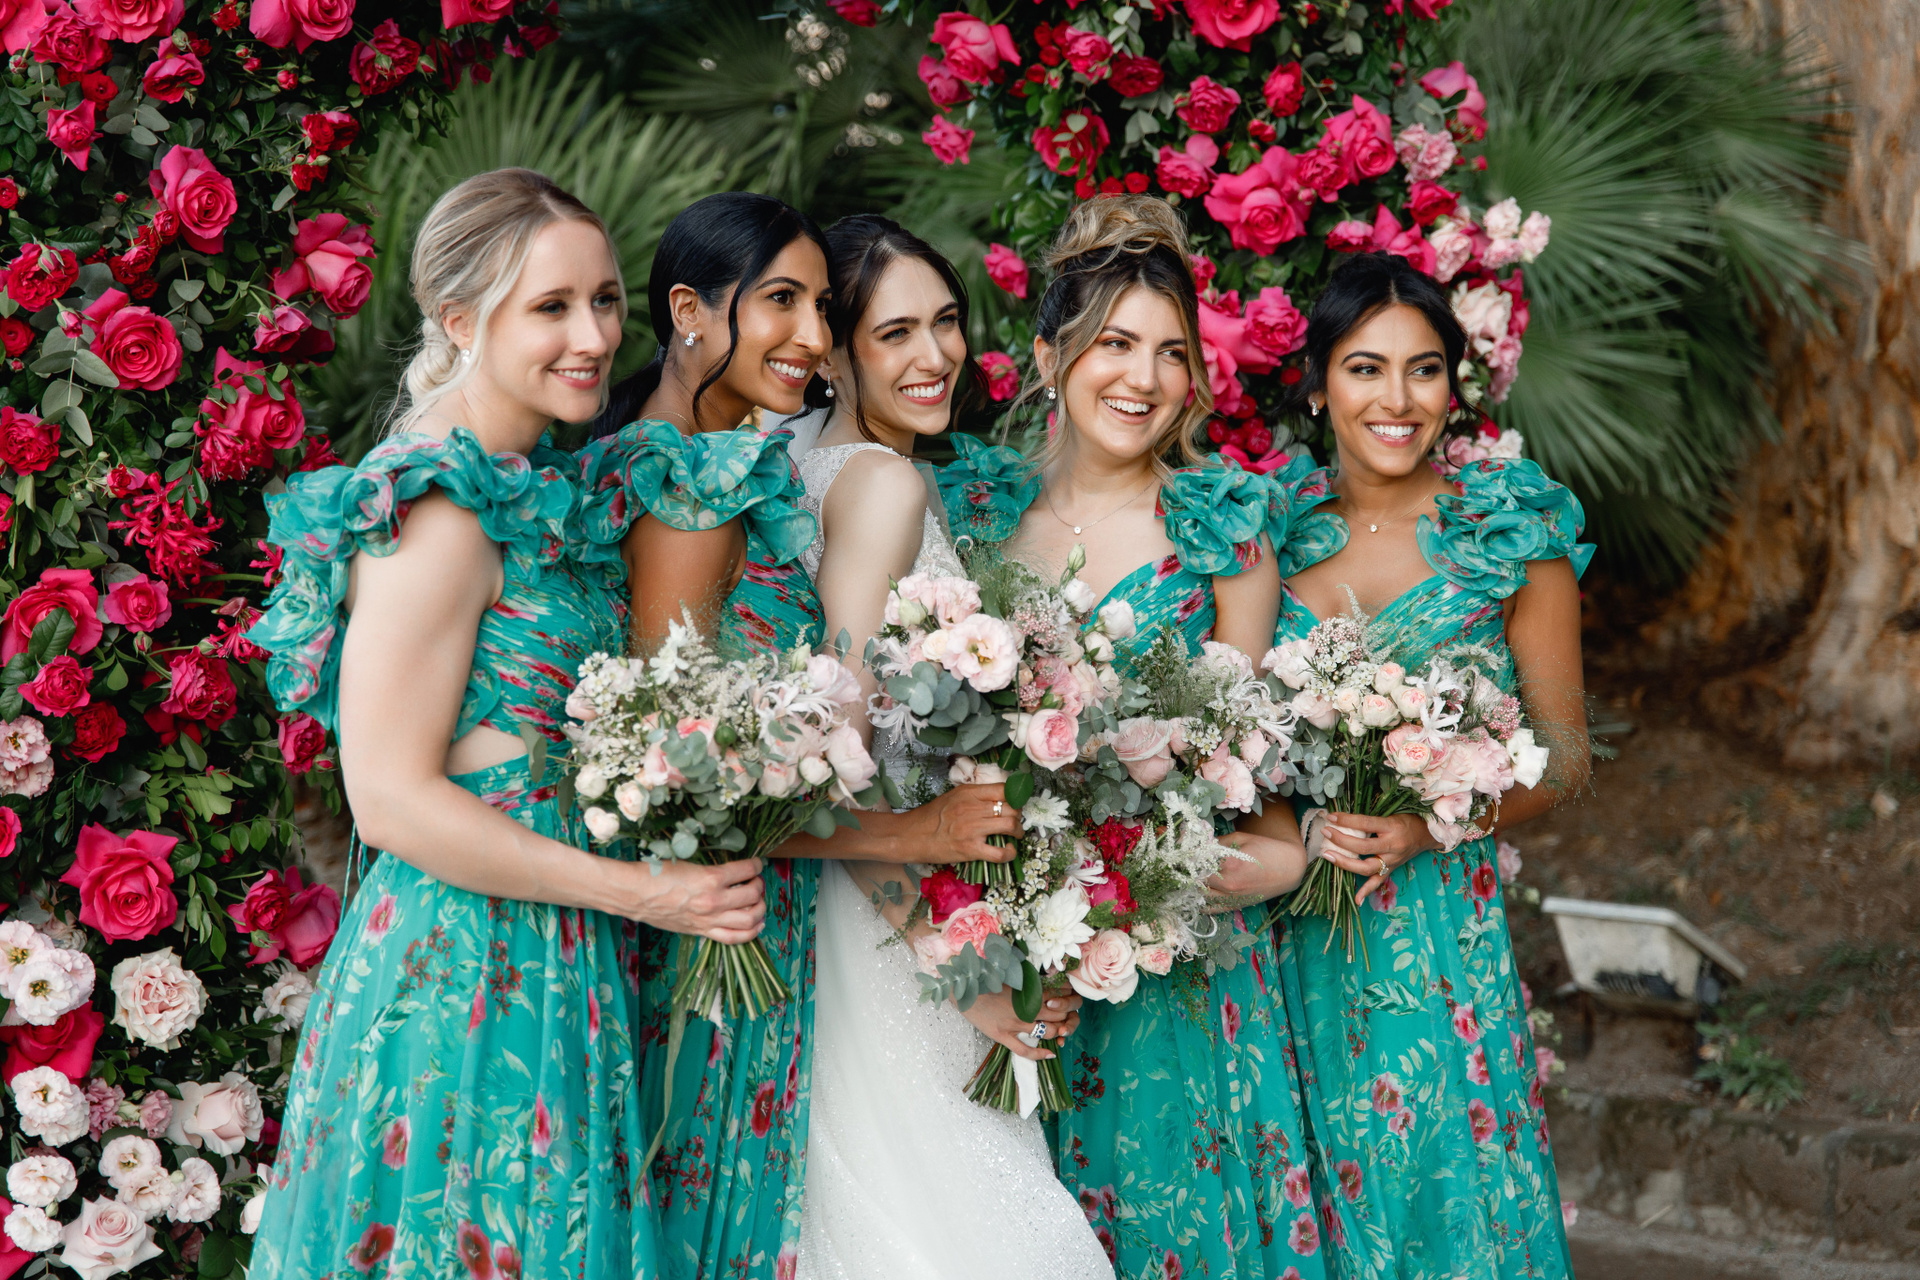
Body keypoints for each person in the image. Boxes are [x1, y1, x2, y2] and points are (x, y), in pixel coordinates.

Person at [246, 169, 765, 1278]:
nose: (594, 336)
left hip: (552, 947)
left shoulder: (526, 480)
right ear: (458, 319)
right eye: (552, 307)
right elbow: (388, 798)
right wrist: (646, 892)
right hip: (465, 965)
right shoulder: (437, 507)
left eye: (606, 300)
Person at [572, 194, 1021, 1277]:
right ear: (689, 311)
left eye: (822, 306)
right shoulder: (693, 486)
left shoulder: (748, 468)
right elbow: (682, 776)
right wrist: (918, 851)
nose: (813, 336)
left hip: (781, 915)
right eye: (788, 302)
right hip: (745, 922)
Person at [937, 194, 1330, 1280]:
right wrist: (1005, 916)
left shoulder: (1220, 534)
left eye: (1170, 352)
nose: (1144, 378)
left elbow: (1273, 831)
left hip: (1175, 994)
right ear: (1048, 357)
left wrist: (1122, 896)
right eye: (1114, 343)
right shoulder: (967, 514)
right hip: (994, 983)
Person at [784, 214, 1111, 1279]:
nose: (935, 355)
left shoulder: (809, 469)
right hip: (884, 920)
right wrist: (958, 969)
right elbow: (839, 762)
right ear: (833, 354)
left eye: (946, 321)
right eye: (895, 333)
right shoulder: (880, 485)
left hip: (879, 897)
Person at [1269, 251, 1588, 1278]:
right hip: (1284, 927)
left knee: (1444, 1199)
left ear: (1456, 385)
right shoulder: (1264, 533)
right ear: (1317, 385)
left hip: (1438, 932)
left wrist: (1432, 820)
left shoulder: (1510, 534)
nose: (1396, 400)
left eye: (1424, 369)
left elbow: (1565, 756)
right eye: (1365, 368)